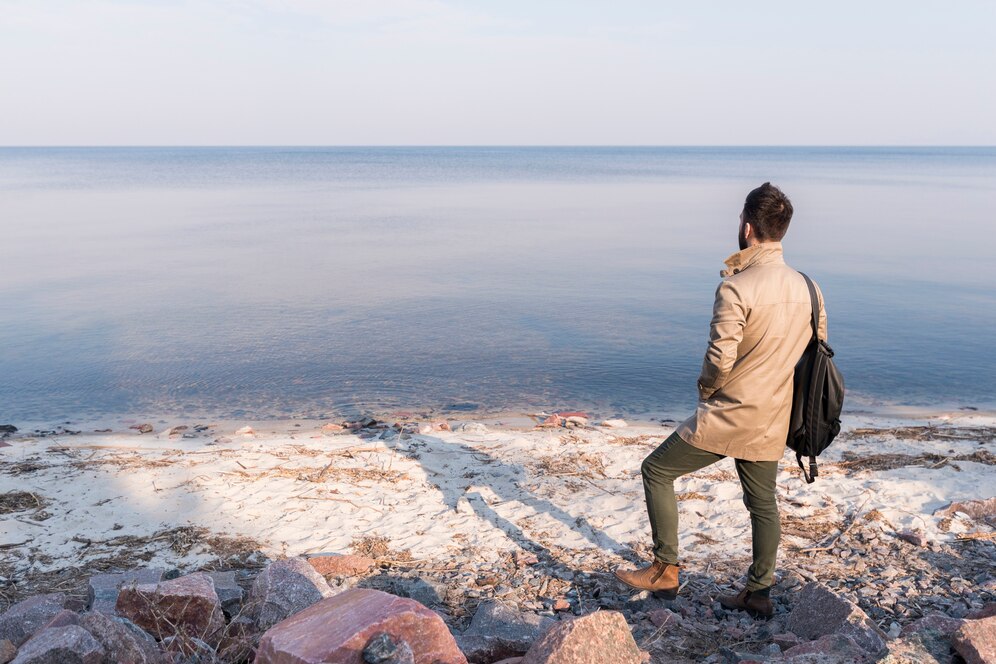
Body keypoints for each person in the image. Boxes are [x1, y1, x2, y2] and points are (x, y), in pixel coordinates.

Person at [614, 182, 827, 619]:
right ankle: (759, 592)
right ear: (782, 230)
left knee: (656, 470)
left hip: (730, 412)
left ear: (747, 228)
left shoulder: (736, 288)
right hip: (776, 414)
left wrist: (707, 392)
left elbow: (719, 357)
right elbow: (816, 353)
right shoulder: (810, 288)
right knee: (762, 502)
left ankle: (665, 569)